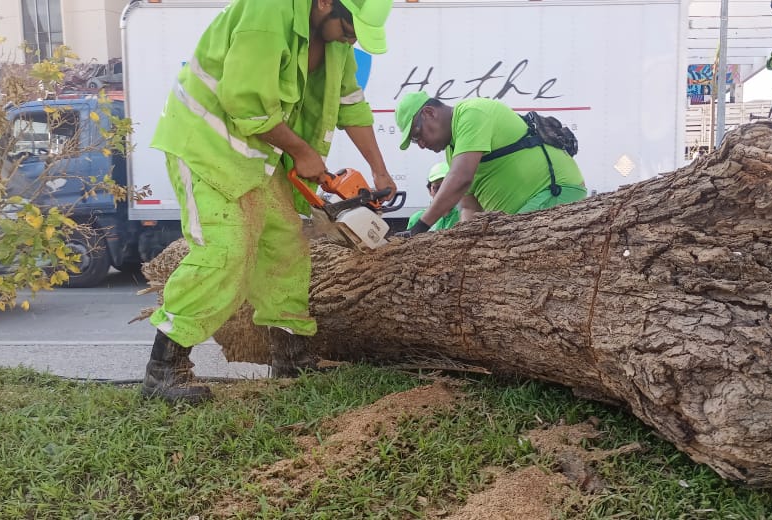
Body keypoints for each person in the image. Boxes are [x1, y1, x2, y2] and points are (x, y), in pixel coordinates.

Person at [141, 0, 396, 404]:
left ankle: (291, 358)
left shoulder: (336, 44)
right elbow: (245, 101)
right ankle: (164, 368)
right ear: (326, 3)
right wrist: (302, 151)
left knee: (286, 247)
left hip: (261, 152)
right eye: (349, 28)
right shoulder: (266, 13)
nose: (352, 38)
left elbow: (351, 104)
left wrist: (379, 171)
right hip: (206, 144)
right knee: (225, 250)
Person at [393, 92, 586, 236]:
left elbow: (460, 179)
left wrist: (420, 227)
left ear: (429, 112)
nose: (421, 144)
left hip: (553, 193)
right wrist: (460, 241)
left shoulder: (471, 114)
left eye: (417, 135)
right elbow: (470, 207)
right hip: (528, 209)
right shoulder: (454, 151)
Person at [406, 162, 460, 231]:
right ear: (430, 190)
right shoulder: (416, 218)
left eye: (447, 187)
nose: (442, 193)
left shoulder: (463, 217)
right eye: (437, 187)